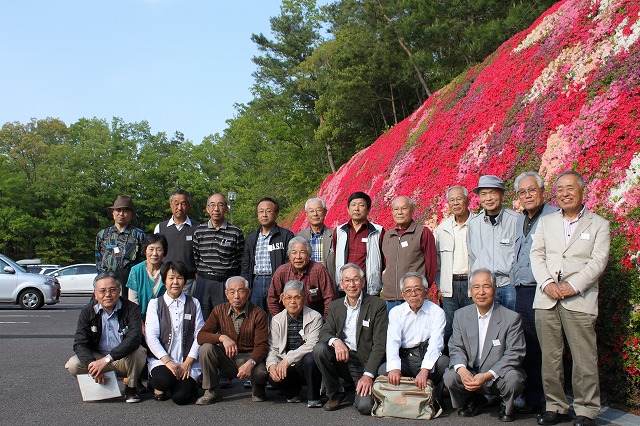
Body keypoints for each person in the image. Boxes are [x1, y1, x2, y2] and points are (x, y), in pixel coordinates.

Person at [531, 170, 610, 426]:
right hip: (547, 298)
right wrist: (546, 283)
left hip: (579, 298)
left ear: (581, 190)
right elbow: (537, 255)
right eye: (560, 189)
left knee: (583, 356)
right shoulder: (546, 222)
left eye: (570, 188)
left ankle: (586, 409)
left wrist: (572, 286)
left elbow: (598, 262)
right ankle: (556, 406)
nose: (564, 194)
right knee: (550, 357)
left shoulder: (599, 224)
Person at [444, 268, 526, 422]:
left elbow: (515, 354)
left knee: (514, 379)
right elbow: (456, 347)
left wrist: (488, 375)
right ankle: (471, 400)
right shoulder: (461, 315)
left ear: (494, 289)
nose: (481, 292)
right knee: (450, 376)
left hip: (496, 375)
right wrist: (462, 370)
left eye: (486, 286)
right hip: (472, 372)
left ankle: (505, 403)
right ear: (470, 290)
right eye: (476, 287)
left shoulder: (511, 318)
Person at [509, 171, 558, 415]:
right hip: (521, 290)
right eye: (522, 192)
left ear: (542, 191)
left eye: (531, 190)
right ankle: (533, 398)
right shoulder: (520, 219)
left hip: (542, 289)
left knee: (547, 347)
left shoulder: (553, 216)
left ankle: (552, 401)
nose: (527, 195)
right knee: (527, 345)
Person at [313, 263, 388, 415]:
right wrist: (336, 341)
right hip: (344, 359)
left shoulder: (377, 305)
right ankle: (335, 393)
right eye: (347, 280)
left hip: (364, 363)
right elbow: (324, 332)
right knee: (320, 349)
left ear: (363, 281)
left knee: (365, 407)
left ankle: (360, 387)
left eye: (355, 279)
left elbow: (380, 344)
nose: (351, 285)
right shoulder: (335, 306)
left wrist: (368, 375)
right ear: (341, 284)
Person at [65, 271, 146, 403]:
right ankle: (101, 379)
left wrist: (107, 360)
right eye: (102, 291)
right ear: (95, 294)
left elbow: (134, 338)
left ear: (119, 291)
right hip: (98, 358)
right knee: (73, 364)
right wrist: (92, 365)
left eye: (112, 290)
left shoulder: (132, 309)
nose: (108, 294)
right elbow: (80, 343)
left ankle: (131, 387)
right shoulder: (88, 311)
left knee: (139, 352)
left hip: (123, 359)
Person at [196, 276, 269, 404]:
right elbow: (201, 336)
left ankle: (258, 388)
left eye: (240, 291)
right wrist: (222, 337)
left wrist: (250, 362)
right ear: (226, 294)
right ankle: (212, 391)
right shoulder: (219, 310)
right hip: (228, 358)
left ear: (248, 293)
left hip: (250, 358)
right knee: (206, 348)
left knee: (261, 372)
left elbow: (262, 345)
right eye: (232, 292)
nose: (236, 296)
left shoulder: (259, 314)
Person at [145, 261, 205, 405]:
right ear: (164, 280)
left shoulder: (194, 303)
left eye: (179, 278)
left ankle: (185, 385)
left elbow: (200, 334)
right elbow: (151, 337)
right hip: (163, 361)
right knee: (163, 380)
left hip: (187, 362)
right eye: (171, 278)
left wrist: (188, 362)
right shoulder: (155, 304)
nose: (175, 282)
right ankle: (162, 385)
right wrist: (168, 362)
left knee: (180, 398)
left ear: (184, 280)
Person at [378, 272, 449, 394]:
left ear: (425, 292)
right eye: (408, 290)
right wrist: (394, 368)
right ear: (403, 294)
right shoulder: (396, 312)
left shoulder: (437, 312)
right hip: (406, 358)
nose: (413, 294)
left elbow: (436, 344)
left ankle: (435, 393)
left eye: (417, 289)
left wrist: (425, 370)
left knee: (444, 362)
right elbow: (392, 342)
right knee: (384, 370)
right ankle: (407, 395)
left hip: (426, 354)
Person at [267, 280, 324, 407]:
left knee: (310, 359)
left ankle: (314, 397)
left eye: (297, 297)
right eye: (289, 297)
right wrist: (271, 366)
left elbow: (312, 344)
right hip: (288, 366)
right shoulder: (277, 320)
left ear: (304, 298)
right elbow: (273, 348)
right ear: (282, 299)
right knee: (271, 373)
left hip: (307, 366)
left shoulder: (315, 317)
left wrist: (288, 359)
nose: (293, 301)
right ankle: (293, 393)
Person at [468, 175, 518, 310]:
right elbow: (472, 257)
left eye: (493, 193)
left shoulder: (515, 220)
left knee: (513, 324)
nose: (488, 198)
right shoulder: (474, 223)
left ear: (501, 194)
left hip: (509, 285)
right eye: (484, 194)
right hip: (485, 286)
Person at [193, 193, 245, 321]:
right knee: (202, 319)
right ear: (207, 209)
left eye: (220, 205)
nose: (216, 209)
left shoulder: (235, 232)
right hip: (203, 282)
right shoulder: (199, 231)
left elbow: (240, 259)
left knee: (225, 319)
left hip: (224, 283)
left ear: (226, 208)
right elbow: (196, 257)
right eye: (212, 205)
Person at [381, 196, 437, 312]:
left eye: (404, 208)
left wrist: (422, 288)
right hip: (390, 298)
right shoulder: (388, 235)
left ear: (412, 210)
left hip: (413, 297)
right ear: (392, 212)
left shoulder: (422, 233)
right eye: (396, 209)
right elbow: (386, 264)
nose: (399, 212)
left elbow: (432, 266)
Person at [435, 186, 474, 344]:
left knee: (472, 325)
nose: (455, 203)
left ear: (467, 200)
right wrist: (439, 286)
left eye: (459, 199)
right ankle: (451, 363)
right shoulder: (442, 228)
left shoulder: (477, 224)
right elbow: (438, 260)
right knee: (449, 327)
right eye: (452, 200)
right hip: (449, 285)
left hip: (472, 284)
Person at [241, 197, 294, 312]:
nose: (264, 215)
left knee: (276, 316)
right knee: (257, 318)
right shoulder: (251, 238)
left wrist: (285, 287)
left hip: (276, 282)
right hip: (256, 283)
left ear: (276, 214)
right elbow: (245, 264)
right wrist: (246, 286)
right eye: (261, 211)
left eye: (268, 211)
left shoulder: (286, 236)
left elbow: (289, 263)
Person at [267, 236, 336, 318]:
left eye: (302, 252)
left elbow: (330, 298)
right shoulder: (281, 271)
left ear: (309, 255)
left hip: (315, 320)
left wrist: (324, 322)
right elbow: (272, 299)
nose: (298, 257)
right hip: (287, 319)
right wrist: (279, 319)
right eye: (294, 252)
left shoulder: (319, 270)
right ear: (289, 256)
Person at [333, 192, 385, 295]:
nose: (356, 208)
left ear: (368, 209)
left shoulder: (378, 231)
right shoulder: (339, 231)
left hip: (368, 286)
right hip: (345, 286)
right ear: (348, 209)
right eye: (353, 205)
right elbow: (335, 255)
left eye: (361, 205)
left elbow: (384, 260)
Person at [95, 195, 146, 299]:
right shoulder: (103, 235)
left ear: (131, 214)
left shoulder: (138, 235)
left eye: (125, 210)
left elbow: (143, 261)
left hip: (130, 282)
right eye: (118, 210)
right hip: (107, 281)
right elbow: (99, 260)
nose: (121, 214)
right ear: (113, 213)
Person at [154, 189, 200, 296]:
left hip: (188, 281)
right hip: (166, 280)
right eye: (176, 204)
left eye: (183, 204)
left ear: (188, 205)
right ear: (171, 205)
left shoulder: (198, 228)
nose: (179, 207)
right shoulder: (160, 228)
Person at [296, 197, 336, 288]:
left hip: (328, 285)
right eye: (311, 211)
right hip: (305, 285)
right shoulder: (298, 237)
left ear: (325, 212)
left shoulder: (335, 236)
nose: (315, 214)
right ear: (306, 214)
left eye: (318, 210)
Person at [126, 233, 168, 318]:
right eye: (151, 249)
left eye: (159, 249)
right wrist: (139, 321)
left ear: (164, 252)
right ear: (145, 250)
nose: (154, 253)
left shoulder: (168, 270)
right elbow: (133, 300)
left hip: (163, 317)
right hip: (139, 317)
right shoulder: (136, 270)